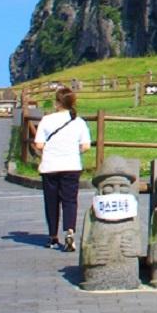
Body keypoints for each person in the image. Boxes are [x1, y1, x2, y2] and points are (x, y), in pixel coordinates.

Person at [34, 86, 92, 251]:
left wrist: (47, 152)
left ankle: (53, 237)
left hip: (50, 166)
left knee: (51, 202)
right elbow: (86, 146)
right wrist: (73, 151)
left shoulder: (47, 120)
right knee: (70, 201)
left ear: (57, 102)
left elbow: (38, 144)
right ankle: (70, 231)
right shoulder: (79, 122)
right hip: (72, 165)